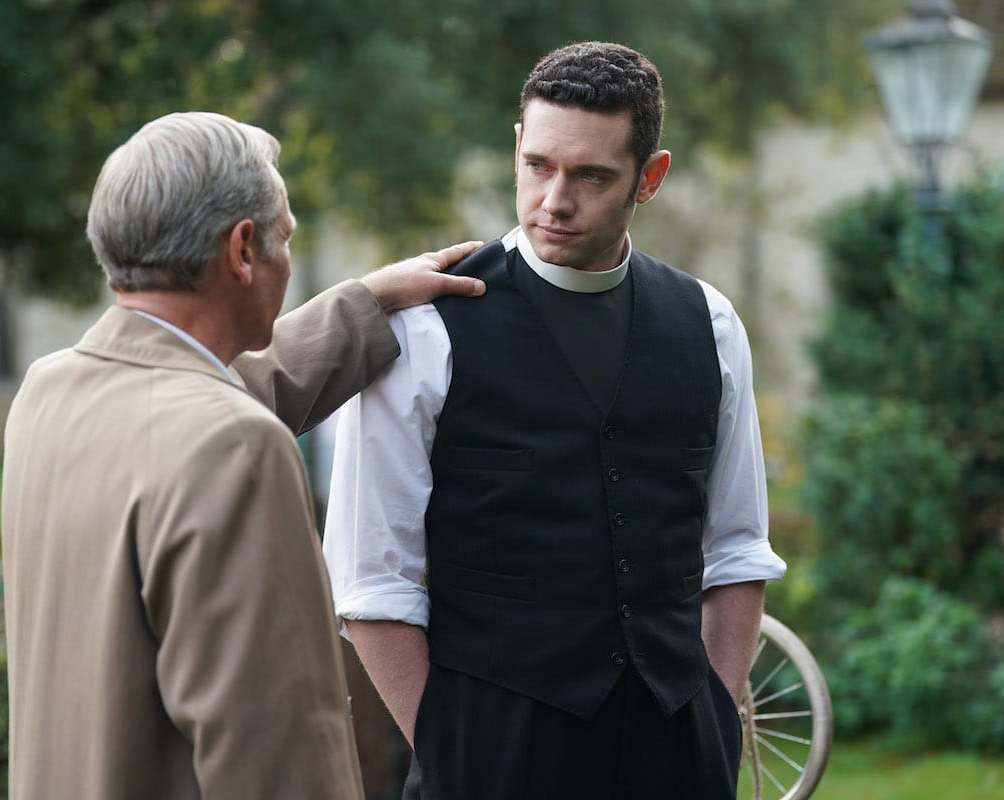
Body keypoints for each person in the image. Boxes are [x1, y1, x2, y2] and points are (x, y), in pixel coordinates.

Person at [323, 42, 787, 799]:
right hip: (490, 757)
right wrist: (450, 749)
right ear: (516, 149)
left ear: (651, 178)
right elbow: (372, 583)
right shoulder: (428, 328)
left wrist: (717, 717)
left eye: (592, 176)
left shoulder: (709, 323)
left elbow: (737, 550)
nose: (554, 201)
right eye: (538, 165)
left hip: (679, 753)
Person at [1, 111, 484, 800]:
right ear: (243, 250)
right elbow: (280, 759)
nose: (289, 257)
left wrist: (365, 304)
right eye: (285, 236)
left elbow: (193, 399)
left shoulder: (49, 394)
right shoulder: (236, 447)